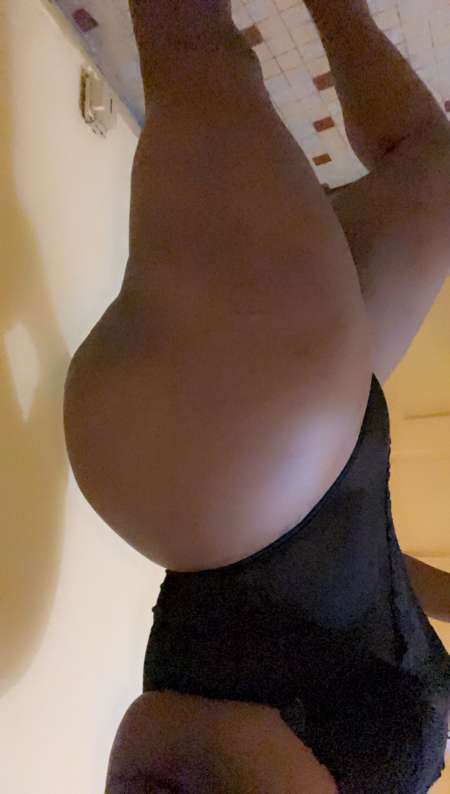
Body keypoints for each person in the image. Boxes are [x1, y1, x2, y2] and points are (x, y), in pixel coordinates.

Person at [62, 1, 450, 791]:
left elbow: (147, 735)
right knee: (431, 173)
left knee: (196, 51)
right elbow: (365, 592)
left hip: (233, 477)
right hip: (321, 454)